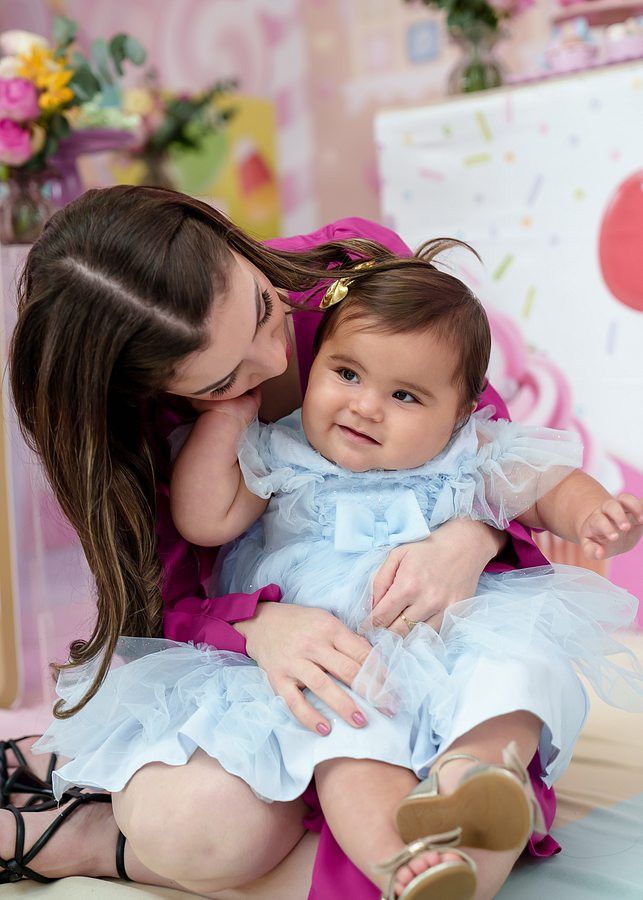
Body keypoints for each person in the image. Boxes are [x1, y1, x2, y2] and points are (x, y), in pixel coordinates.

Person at [0, 185, 610, 898]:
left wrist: (469, 538)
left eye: (262, 309)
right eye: (224, 379)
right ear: (151, 390)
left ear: (227, 238)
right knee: (192, 822)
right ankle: (95, 839)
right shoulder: (144, 440)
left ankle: (435, 822)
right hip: (289, 679)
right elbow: (171, 592)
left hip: (440, 644)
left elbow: (485, 448)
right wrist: (258, 625)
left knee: (473, 835)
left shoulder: (355, 279)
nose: (272, 357)